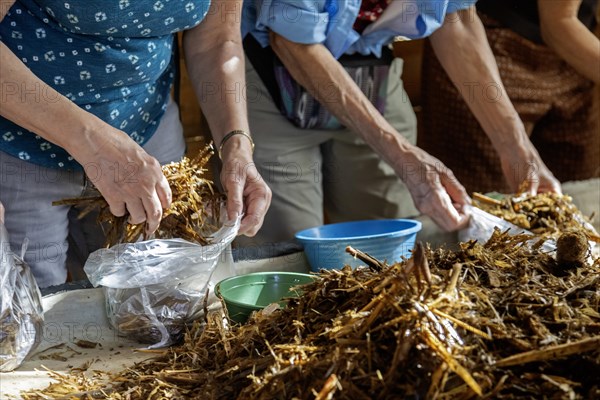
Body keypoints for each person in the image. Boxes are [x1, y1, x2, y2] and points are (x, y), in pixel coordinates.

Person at [238, 0, 561, 246]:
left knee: (388, 235)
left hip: (371, 67)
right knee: (288, 242)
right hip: (270, 75)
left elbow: (457, 20)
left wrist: (515, 144)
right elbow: (294, 42)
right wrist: (403, 152)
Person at [0, 0, 271, 288]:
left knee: (154, 293)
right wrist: (91, 141)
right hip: (22, 142)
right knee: (29, 300)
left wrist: (236, 146)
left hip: (147, 131)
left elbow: (216, 40)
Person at [420, 0, 599, 194]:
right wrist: (513, 143)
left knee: (571, 197)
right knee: (486, 199)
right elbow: (559, 22)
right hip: (492, 51)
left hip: (575, 59)